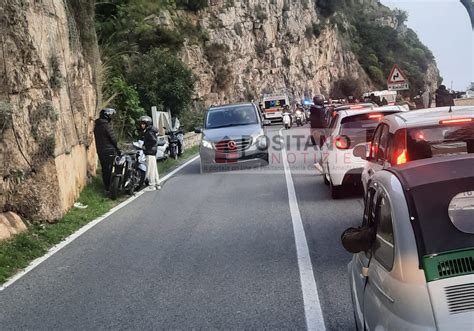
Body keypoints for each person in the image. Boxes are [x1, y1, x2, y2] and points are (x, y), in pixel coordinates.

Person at [94, 108, 120, 192]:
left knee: (104, 169)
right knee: (111, 168)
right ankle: (112, 186)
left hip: (100, 150)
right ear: (107, 116)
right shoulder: (106, 126)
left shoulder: (97, 126)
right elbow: (113, 139)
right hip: (109, 150)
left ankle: (106, 187)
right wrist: (117, 148)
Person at [139, 115, 161, 191]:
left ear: (147, 124)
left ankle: (152, 185)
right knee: (154, 169)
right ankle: (157, 184)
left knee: (150, 169)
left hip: (150, 151)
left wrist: (145, 146)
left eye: (143, 124)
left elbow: (153, 140)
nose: (142, 125)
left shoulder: (149, 132)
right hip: (153, 151)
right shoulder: (151, 130)